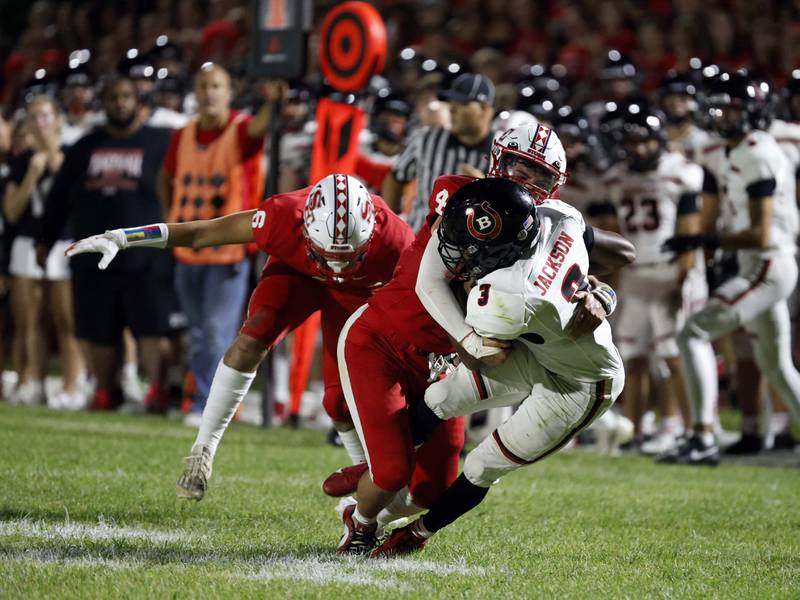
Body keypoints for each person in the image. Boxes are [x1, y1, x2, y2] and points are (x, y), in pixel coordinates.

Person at [333, 122, 635, 555]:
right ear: (498, 160)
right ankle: (374, 479)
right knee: (440, 400)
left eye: (540, 176)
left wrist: (604, 293)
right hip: (532, 346)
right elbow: (434, 274)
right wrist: (603, 290)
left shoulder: (516, 283)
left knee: (481, 464)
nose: (527, 183)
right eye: (518, 168)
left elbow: (486, 352)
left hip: (577, 381)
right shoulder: (539, 214)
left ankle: (418, 533)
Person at [65, 174, 433, 503]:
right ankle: (202, 450)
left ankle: (365, 476)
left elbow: (424, 302)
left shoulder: (398, 243)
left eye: (348, 257)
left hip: (357, 294)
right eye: (326, 256)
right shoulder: (281, 217)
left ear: (371, 234)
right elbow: (200, 233)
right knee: (253, 335)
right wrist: (125, 237)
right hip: (297, 273)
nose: (335, 268)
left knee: (338, 401)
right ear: (305, 229)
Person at [658, 71, 800, 465]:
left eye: (732, 109)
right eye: (719, 107)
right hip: (765, 261)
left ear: (754, 112)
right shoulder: (742, 149)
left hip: (768, 262)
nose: (722, 116)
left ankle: (702, 434)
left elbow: (760, 233)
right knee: (776, 365)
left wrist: (704, 241)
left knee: (693, 332)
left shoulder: (756, 152)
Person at [38, 76, 176, 411]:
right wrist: (46, 240)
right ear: (104, 103)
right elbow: (58, 199)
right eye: (113, 97)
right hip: (94, 253)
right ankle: (105, 390)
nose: (120, 103)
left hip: (146, 254)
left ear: (138, 101)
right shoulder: (85, 146)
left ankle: (156, 390)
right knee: (98, 330)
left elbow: (175, 188)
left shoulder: (161, 142)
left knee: (151, 327)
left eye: (126, 96)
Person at [157, 63, 273, 424]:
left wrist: (274, 99)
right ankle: (205, 399)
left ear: (229, 92)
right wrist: (169, 218)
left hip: (228, 251)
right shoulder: (184, 133)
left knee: (215, 332)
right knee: (197, 332)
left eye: (216, 86)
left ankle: (209, 404)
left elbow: (262, 125)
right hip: (188, 251)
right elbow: (166, 176)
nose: (209, 92)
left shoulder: (240, 130)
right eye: (203, 85)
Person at [589, 106, 704, 453]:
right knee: (632, 356)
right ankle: (636, 432)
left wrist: (684, 277)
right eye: (632, 142)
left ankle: (680, 427)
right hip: (635, 273)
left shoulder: (682, 172)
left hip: (669, 269)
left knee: (672, 355)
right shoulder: (614, 178)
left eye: (644, 142)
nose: (638, 149)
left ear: (658, 141)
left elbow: (689, 230)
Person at [3, 95, 84, 408]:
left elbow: (74, 201)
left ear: (58, 120)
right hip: (26, 243)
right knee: (29, 320)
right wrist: (32, 176)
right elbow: (11, 211)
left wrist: (51, 160)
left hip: (62, 242)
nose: (40, 123)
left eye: (45, 116)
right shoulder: (21, 161)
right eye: (34, 117)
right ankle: (32, 381)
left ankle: (72, 385)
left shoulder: (70, 155)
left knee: (66, 320)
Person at [382, 73, 496, 230]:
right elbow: (395, 177)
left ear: (484, 108)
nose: (452, 109)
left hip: (469, 249)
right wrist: (391, 224)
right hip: (419, 239)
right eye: (451, 102)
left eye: (461, 103)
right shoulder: (426, 139)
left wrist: (484, 188)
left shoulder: (501, 154)